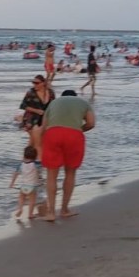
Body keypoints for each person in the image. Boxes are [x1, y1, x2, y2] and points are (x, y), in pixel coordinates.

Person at [41, 89, 95, 222]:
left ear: (62, 96)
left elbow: (44, 126)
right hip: (74, 136)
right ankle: (64, 210)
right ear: (75, 96)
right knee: (70, 173)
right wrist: (79, 129)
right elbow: (91, 123)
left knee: (51, 175)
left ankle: (51, 212)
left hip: (53, 134)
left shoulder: (53, 103)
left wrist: (42, 142)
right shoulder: (83, 102)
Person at [19, 75, 55, 158]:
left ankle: (26, 161)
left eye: (37, 83)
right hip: (31, 119)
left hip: (44, 119)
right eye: (33, 83)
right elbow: (23, 105)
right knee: (37, 143)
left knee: (33, 142)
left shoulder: (50, 93)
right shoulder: (31, 92)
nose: (34, 85)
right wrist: (36, 111)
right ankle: (39, 161)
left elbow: (53, 106)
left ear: (43, 83)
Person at [9, 145, 41, 219]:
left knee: (21, 198)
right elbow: (41, 167)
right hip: (32, 186)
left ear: (24, 155)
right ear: (35, 156)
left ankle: (20, 209)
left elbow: (15, 173)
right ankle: (30, 214)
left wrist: (12, 183)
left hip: (23, 186)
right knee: (32, 200)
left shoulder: (21, 164)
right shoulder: (35, 164)